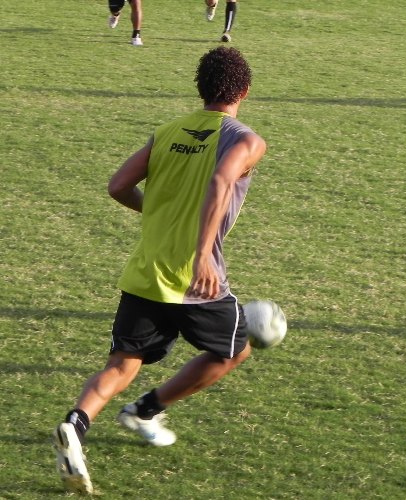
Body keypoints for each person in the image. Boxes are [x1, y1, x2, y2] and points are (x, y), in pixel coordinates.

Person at [52, 46, 267, 494]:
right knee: (234, 351)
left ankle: (76, 424)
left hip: (146, 272)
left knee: (122, 363)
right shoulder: (246, 140)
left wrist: (157, 213)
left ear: (201, 89)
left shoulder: (168, 131)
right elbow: (220, 180)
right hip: (196, 281)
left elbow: (118, 186)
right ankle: (147, 409)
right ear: (244, 91)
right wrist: (204, 252)